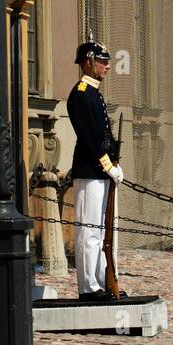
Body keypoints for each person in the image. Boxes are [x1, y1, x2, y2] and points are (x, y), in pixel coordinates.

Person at [67, 41, 122, 300]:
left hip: (99, 171)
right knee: (89, 232)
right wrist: (108, 164)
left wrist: (113, 162)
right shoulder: (80, 94)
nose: (108, 66)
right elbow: (89, 137)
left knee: (100, 232)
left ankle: (101, 282)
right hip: (90, 171)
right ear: (89, 61)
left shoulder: (94, 93)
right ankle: (89, 287)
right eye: (103, 61)